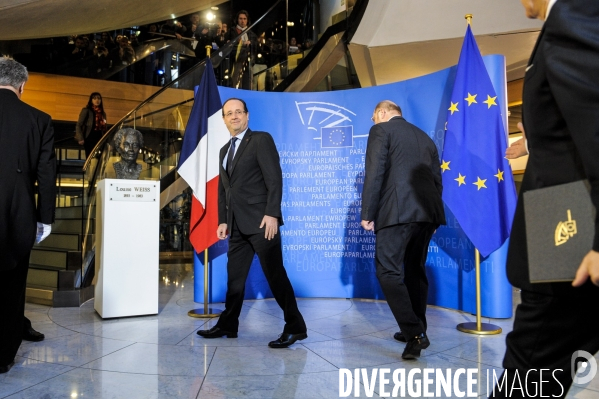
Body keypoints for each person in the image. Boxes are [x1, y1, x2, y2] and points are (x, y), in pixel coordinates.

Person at [492, 0, 599, 396]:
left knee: (531, 370)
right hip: (566, 232)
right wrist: (530, 142)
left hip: (567, 238)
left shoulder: (575, 15)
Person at [196, 98, 307, 348]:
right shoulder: (224, 150)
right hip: (236, 226)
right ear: (224, 120)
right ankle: (228, 324)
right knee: (234, 279)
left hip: (262, 223)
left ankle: (296, 326)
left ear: (247, 116)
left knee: (275, 275)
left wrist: (272, 214)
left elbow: (274, 179)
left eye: (238, 112)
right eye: (229, 114)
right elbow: (225, 190)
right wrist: (223, 220)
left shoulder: (260, 140)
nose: (234, 116)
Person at [360, 100, 445, 360]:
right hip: (427, 213)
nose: (373, 121)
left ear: (383, 113)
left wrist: (367, 213)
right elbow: (437, 180)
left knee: (387, 271)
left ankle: (414, 333)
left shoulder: (381, 130)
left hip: (396, 211)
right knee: (414, 271)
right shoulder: (424, 138)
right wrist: (431, 214)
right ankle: (418, 328)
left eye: (374, 116)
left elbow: (374, 173)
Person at [0, 57, 56, 374]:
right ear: (22, 86)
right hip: (17, 215)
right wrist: (45, 219)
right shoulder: (39, 119)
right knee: (12, 284)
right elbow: (46, 175)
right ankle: (3, 355)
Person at [225, 10, 258, 89]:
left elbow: (257, 47)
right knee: (235, 85)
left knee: (247, 86)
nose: (242, 21)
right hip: (235, 62)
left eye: (244, 19)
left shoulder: (251, 34)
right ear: (237, 20)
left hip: (248, 63)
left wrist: (251, 43)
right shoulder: (231, 32)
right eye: (240, 18)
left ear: (247, 20)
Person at [75, 92, 107, 159]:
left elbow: (104, 128)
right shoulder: (86, 110)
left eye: (99, 98)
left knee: (99, 158)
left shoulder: (103, 113)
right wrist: (80, 138)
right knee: (90, 158)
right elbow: (79, 124)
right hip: (89, 137)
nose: (97, 100)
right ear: (91, 100)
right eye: (94, 98)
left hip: (99, 137)